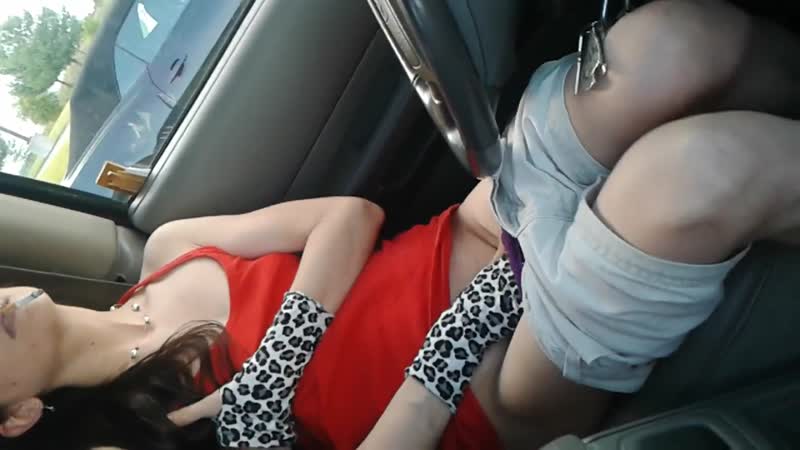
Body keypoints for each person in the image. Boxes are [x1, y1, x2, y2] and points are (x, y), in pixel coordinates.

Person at [2, 1, 800, 449]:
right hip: (496, 384)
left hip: (476, 231)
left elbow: (350, 218)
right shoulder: (141, 437)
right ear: (17, 417)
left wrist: (280, 355)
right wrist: (456, 338)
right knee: (697, 171)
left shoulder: (171, 249)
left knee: (672, 44)